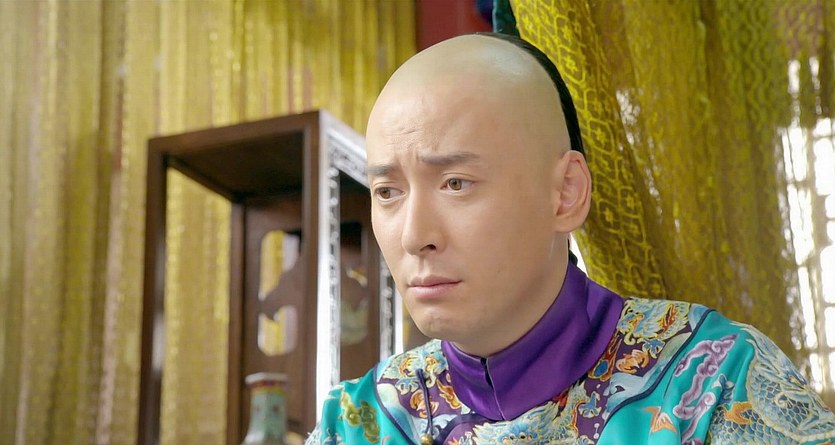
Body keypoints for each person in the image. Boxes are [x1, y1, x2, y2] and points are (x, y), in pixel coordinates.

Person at [305, 33, 835, 445]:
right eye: (388, 192)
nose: (415, 236)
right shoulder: (357, 424)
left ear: (565, 193)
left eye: (456, 183)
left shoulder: (715, 382)